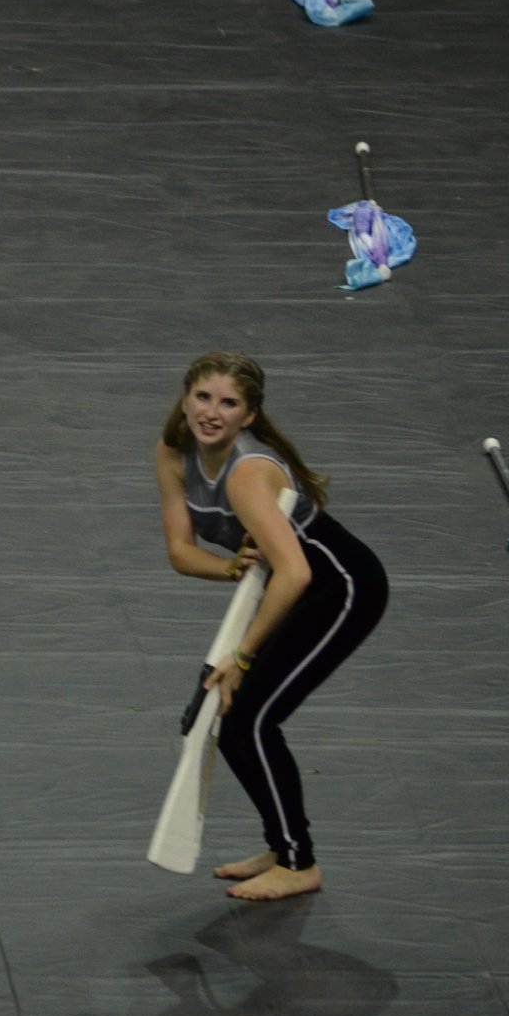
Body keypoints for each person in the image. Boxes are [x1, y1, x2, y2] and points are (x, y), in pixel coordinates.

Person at [153, 352, 388, 900]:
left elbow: (296, 572)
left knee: (251, 720)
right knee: (234, 715)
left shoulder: (246, 474)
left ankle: (298, 863)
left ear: (249, 416)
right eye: (203, 397)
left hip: (341, 589)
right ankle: (284, 848)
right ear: (185, 398)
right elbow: (181, 552)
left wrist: (242, 657)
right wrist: (230, 567)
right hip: (285, 588)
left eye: (229, 403)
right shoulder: (172, 453)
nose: (211, 412)